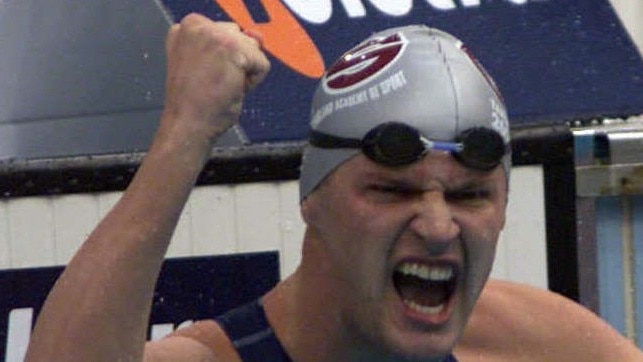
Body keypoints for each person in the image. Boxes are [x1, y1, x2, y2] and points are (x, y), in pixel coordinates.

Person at [25, 13, 642, 362]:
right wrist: (185, 132)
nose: (436, 226)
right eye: (393, 191)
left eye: (470, 195)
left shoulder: (534, 343)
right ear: (312, 199)